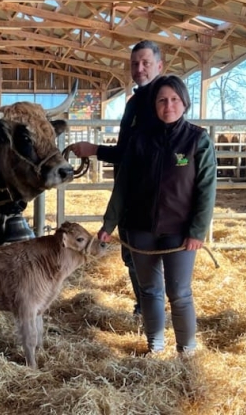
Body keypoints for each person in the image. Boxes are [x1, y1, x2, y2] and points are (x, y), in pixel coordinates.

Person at [98, 75, 217, 356]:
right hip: (140, 227)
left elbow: (206, 189)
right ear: (155, 105)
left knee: (179, 293)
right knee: (150, 290)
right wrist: (109, 223)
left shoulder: (197, 140)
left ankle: (186, 350)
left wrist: (197, 231)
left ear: (184, 102)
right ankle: (155, 345)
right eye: (162, 100)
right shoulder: (140, 139)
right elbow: (123, 185)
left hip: (179, 230)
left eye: (174, 99)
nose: (169, 105)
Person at [69, 40, 164, 316]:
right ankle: (145, 307)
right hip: (130, 190)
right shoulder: (136, 102)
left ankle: (152, 311)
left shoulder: (159, 102)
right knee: (132, 255)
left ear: (160, 65)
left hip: (150, 192)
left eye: (146, 63)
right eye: (135, 63)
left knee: (143, 256)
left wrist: (95, 150)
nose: (140, 68)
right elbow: (129, 150)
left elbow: (136, 152)